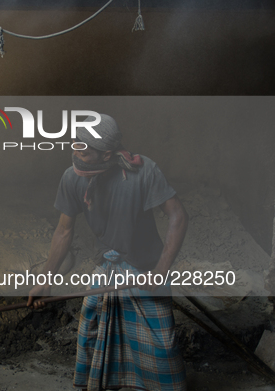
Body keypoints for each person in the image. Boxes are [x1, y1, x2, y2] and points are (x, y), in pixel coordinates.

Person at [27, 114, 188, 391]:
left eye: (85, 149)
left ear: (108, 154)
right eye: (76, 143)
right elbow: (64, 231)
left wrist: (161, 271)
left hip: (146, 269)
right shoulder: (71, 177)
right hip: (108, 268)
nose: (76, 151)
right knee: (92, 331)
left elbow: (178, 217)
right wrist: (44, 280)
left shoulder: (144, 170)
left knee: (162, 347)